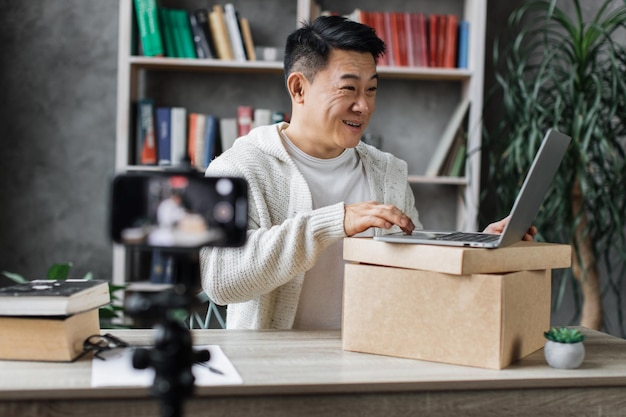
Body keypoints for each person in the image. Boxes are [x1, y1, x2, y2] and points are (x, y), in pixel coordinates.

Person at [200, 15, 534, 330]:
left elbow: (413, 278)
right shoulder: (238, 168)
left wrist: (478, 250)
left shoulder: (387, 171)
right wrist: (333, 223)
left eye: (371, 89)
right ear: (299, 89)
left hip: (371, 358)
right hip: (276, 370)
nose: (364, 106)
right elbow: (220, 281)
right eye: (349, 89)